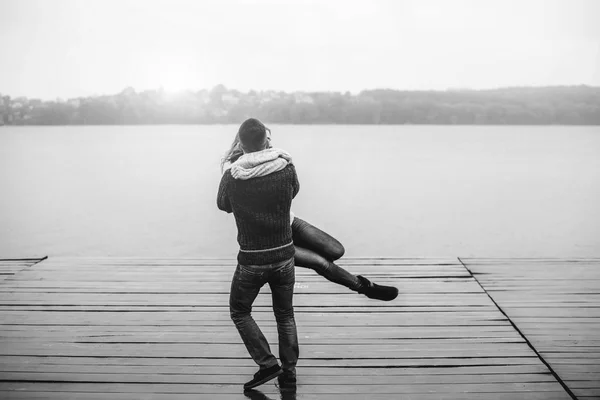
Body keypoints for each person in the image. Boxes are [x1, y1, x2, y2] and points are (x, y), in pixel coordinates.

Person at [221, 121, 398, 303]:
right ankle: (365, 287)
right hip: (273, 242)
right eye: (268, 140)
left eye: (270, 139)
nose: (270, 144)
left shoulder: (279, 164)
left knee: (335, 250)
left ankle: (355, 281)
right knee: (321, 263)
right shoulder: (237, 172)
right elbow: (224, 204)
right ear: (258, 143)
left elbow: (293, 191)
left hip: (289, 223)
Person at [217, 118, 299, 392]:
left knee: (240, 311)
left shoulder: (233, 175)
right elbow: (294, 191)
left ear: (241, 144)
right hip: (285, 255)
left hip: (252, 259)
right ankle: (288, 372)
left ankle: (267, 363)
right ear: (267, 141)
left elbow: (222, 205)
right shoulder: (286, 167)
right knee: (285, 314)